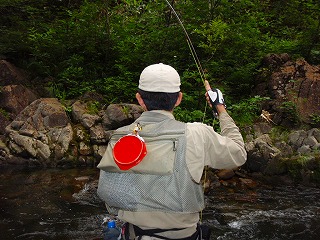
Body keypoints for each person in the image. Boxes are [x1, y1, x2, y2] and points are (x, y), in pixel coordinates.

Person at [97, 63, 247, 239]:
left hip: (133, 234)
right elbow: (239, 154)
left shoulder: (120, 136)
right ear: (178, 99)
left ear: (139, 99)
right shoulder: (197, 133)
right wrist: (220, 108)